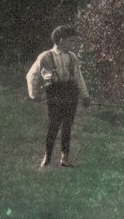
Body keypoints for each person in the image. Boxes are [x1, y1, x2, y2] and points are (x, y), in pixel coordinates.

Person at [26, 25, 91, 168]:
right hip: (55, 92)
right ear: (62, 40)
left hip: (70, 92)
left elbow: (79, 78)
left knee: (67, 126)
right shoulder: (46, 56)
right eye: (71, 41)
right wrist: (34, 94)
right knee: (54, 125)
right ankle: (47, 157)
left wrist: (85, 96)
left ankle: (64, 158)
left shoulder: (72, 57)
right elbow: (32, 75)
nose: (73, 44)